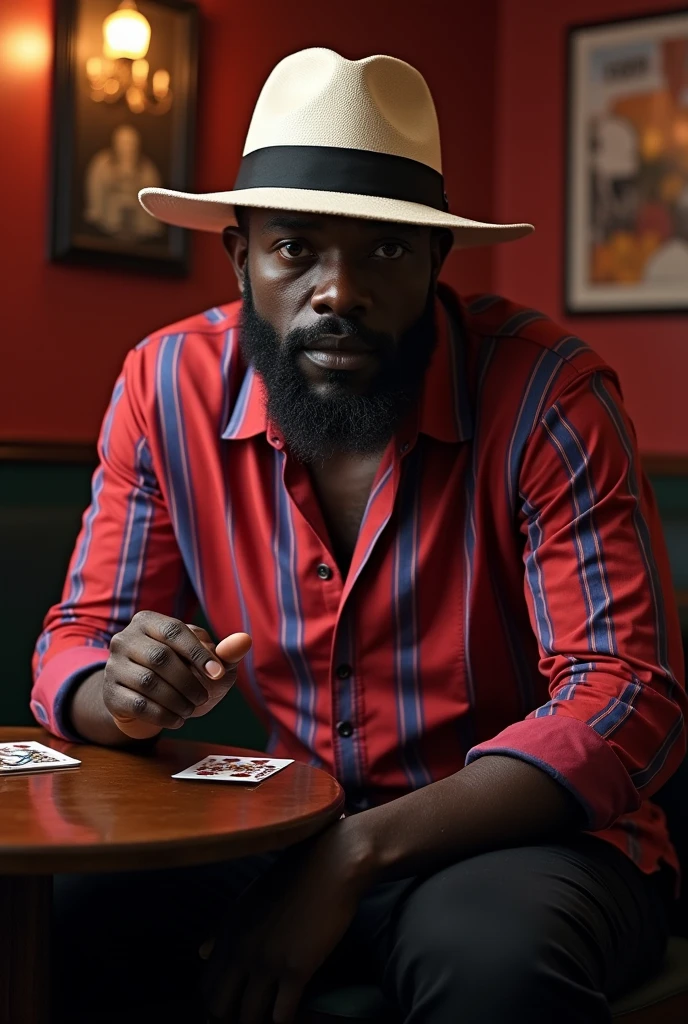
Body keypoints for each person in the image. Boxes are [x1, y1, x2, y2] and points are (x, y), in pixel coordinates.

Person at [34, 48, 686, 1024]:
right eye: (296, 247)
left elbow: (627, 697)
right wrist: (113, 693)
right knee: (63, 918)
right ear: (240, 255)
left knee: (488, 966)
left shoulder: (548, 391)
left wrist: (354, 850)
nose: (338, 290)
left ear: (436, 263)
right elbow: (79, 634)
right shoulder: (163, 383)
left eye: (382, 249)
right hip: (280, 813)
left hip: (518, 835)